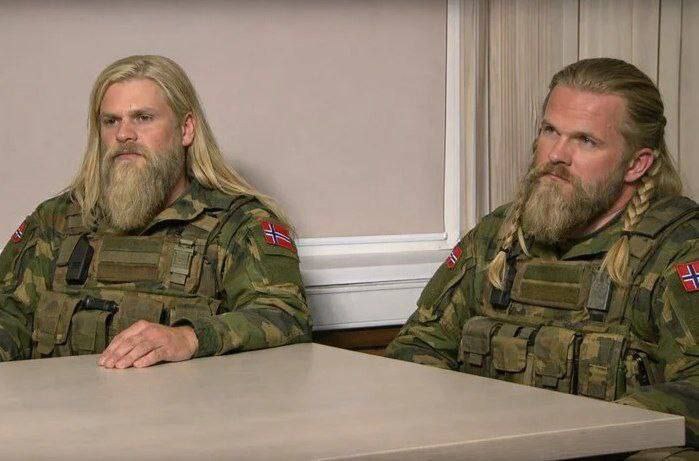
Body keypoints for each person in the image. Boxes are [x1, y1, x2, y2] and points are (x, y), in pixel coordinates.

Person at [385, 58, 698, 453]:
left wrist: (588, 433)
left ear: (636, 164)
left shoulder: (678, 249)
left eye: (586, 140)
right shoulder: (495, 237)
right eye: (550, 131)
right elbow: (416, 349)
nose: (557, 155)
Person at [0, 55, 311, 368]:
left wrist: (190, 338)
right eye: (111, 121)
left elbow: (285, 318)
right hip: (62, 399)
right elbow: (8, 315)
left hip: (188, 401)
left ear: (186, 129)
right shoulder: (55, 221)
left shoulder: (239, 225)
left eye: (143, 118)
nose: (124, 134)